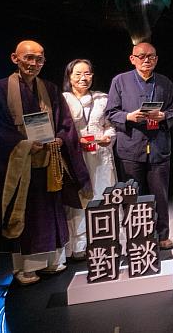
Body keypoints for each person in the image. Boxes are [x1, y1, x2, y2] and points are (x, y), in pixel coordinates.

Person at [0, 40, 89, 285]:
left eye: (39, 59)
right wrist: (25, 145)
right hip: (20, 167)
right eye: (28, 58)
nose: (34, 63)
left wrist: (61, 140)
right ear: (14, 58)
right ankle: (26, 268)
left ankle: (53, 261)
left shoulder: (50, 89)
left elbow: (65, 125)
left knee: (52, 212)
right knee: (28, 215)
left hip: (49, 162)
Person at [105, 42, 173, 249]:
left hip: (158, 146)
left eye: (152, 57)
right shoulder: (120, 81)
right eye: (142, 56)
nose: (147, 60)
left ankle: (163, 235)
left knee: (160, 194)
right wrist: (129, 116)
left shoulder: (164, 82)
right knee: (132, 195)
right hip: (131, 145)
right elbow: (111, 112)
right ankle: (135, 237)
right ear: (132, 59)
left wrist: (164, 115)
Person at [62, 59, 118, 260]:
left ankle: (105, 239)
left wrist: (108, 137)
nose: (83, 78)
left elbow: (110, 124)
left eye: (87, 73)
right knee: (79, 199)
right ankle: (79, 244)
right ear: (69, 77)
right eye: (77, 74)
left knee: (103, 194)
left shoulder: (103, 98)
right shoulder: (63, 100)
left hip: (101, 156)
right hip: (75, 156)